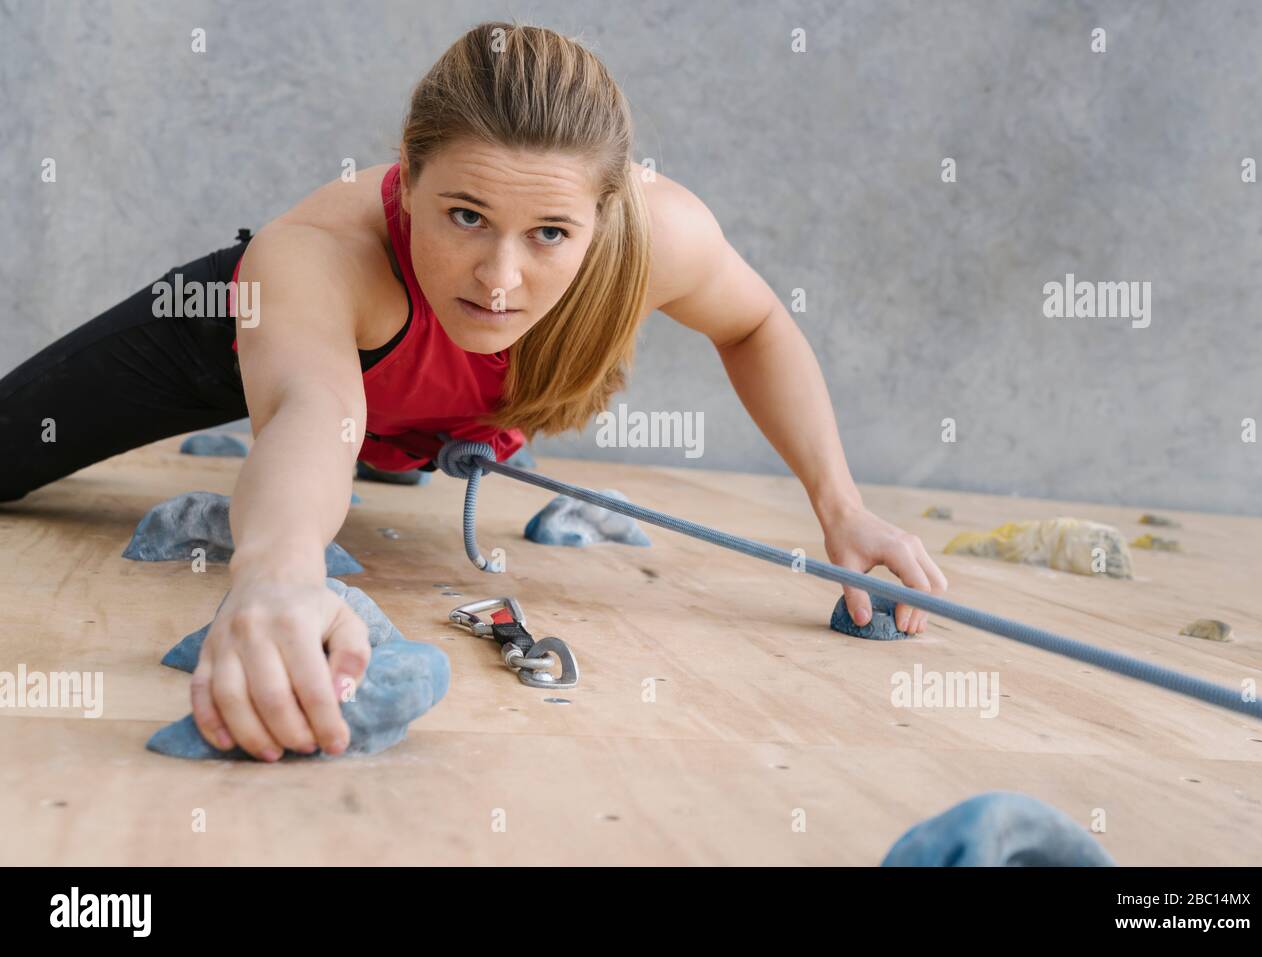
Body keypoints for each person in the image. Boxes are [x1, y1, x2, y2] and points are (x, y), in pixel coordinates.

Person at [0, 21, 947, 761]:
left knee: (444, 377)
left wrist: (842, 506)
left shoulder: (662, 237)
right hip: (296, 355)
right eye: (464, 214)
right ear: (406, 180)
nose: (499, 277)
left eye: (549, 234)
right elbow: (307, 410)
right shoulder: (318, 258)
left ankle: (415, 441)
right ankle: (391, 437)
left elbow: (756, 325)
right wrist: (277, 576)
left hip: (447, 401)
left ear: (607, 217)